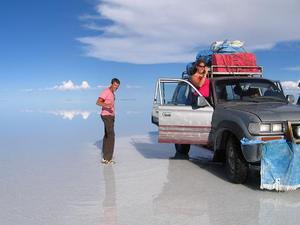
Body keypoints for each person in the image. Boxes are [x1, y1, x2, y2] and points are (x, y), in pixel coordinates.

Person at [96, 78, 120, 165]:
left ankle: (105, 156)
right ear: (111, 84)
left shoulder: (112, 93)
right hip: (106, 116)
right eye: (115, 85)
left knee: (107, 135)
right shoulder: (106, 91)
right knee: (111, 135)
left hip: (110, 116)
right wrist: (107, 105)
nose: (116, 87)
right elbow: (98, 102)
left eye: (117, 86)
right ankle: (107, 159)